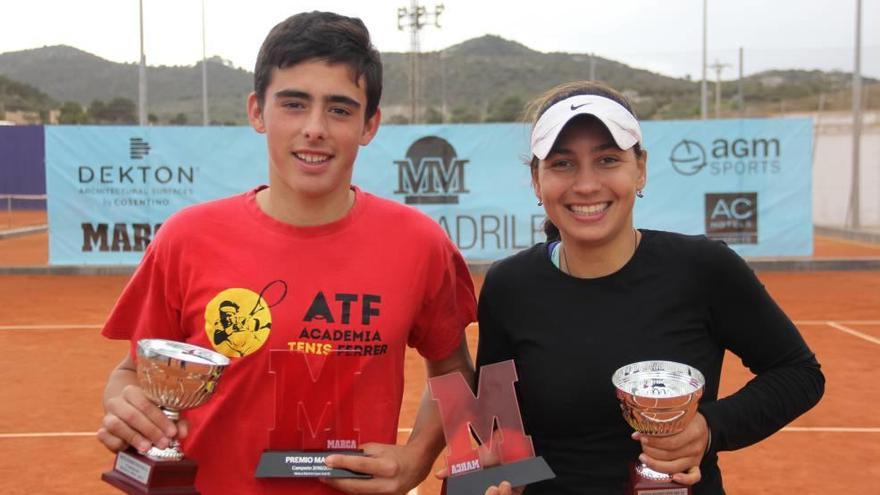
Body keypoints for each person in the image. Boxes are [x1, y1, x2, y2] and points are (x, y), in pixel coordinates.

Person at [97, 11, 476, 495]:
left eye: (339, 109)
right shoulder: (186, 238)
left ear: (369, 124)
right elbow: (133, 370)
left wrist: (417, 457)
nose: (314, 128)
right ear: (258, 111)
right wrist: (127, 407)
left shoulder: (421, 244)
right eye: (294, 104)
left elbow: (453, 370)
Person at [474, 81, 825, 495]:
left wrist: (709, 429)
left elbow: (799, 373)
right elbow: (497, 425)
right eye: (563, 164)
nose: (586, 185)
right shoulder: (508, 286)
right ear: (537, 179)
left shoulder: (704, 269)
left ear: (640, 169)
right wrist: (500, 477)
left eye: (607, 159)